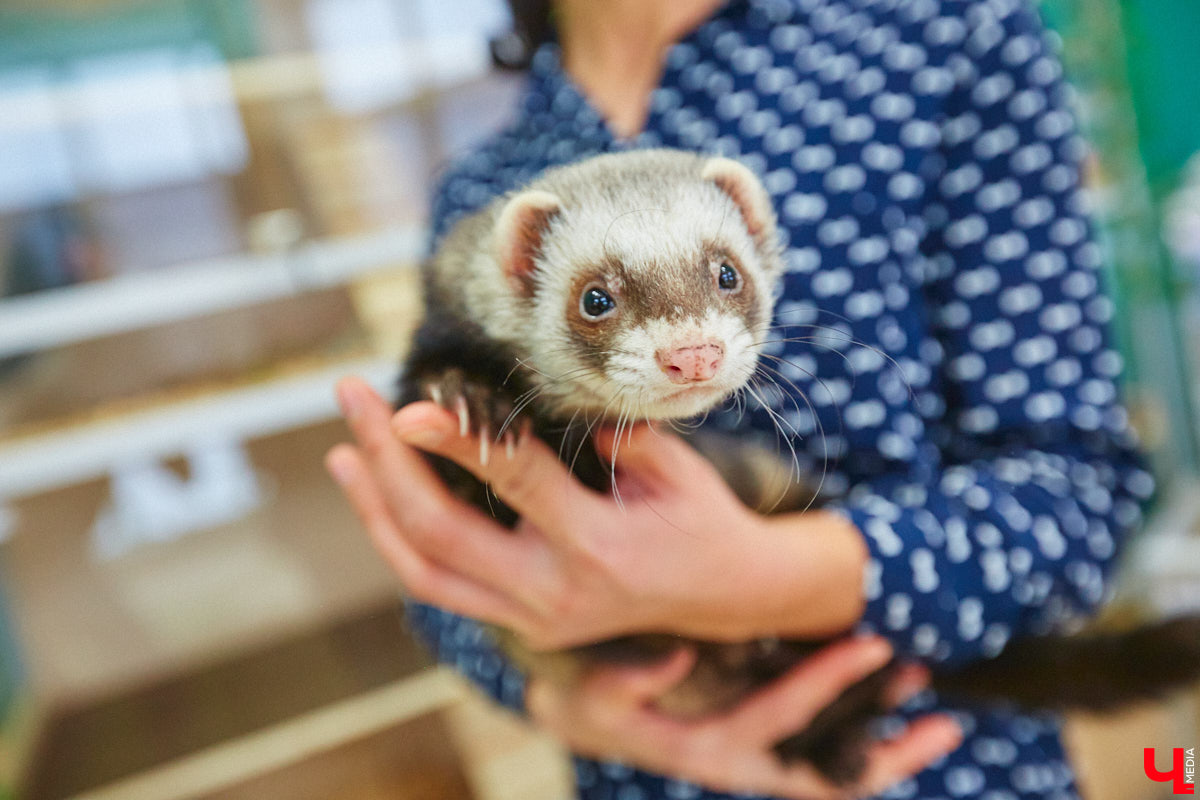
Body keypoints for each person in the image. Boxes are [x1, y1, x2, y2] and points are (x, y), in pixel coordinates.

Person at [326, 0, 1154, 797]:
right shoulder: (481, 188)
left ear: (758, 242)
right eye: (599, 303)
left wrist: (759, 581)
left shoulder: (938, 32)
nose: (692, 345)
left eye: (725, 281)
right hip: (637, 778)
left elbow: (1084, 495)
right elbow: (444, 578)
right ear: (518, 275)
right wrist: (573, 709)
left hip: (926, 760)